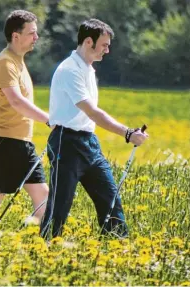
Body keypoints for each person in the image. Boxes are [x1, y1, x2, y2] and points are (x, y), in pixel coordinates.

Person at [40, 19, 149, 239]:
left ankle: (119, 249)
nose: (107, 50)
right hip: (66, 143)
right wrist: (127, 133)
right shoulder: (69, 70)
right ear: (88, 42)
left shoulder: (88, 68)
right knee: (60, 207)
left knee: (110, 200)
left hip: (89, 142)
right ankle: (43, 253)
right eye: (104, 45)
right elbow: (92, 112)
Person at [0, 10, 50, 233]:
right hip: (3, 142)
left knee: (44, 196)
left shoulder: (19, 61)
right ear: (16, 36)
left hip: (22, 143)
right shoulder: (5, 63)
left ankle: (28, 236)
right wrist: (49, 120)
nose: (36, 37)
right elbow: (16, 102)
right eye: (32, 33)